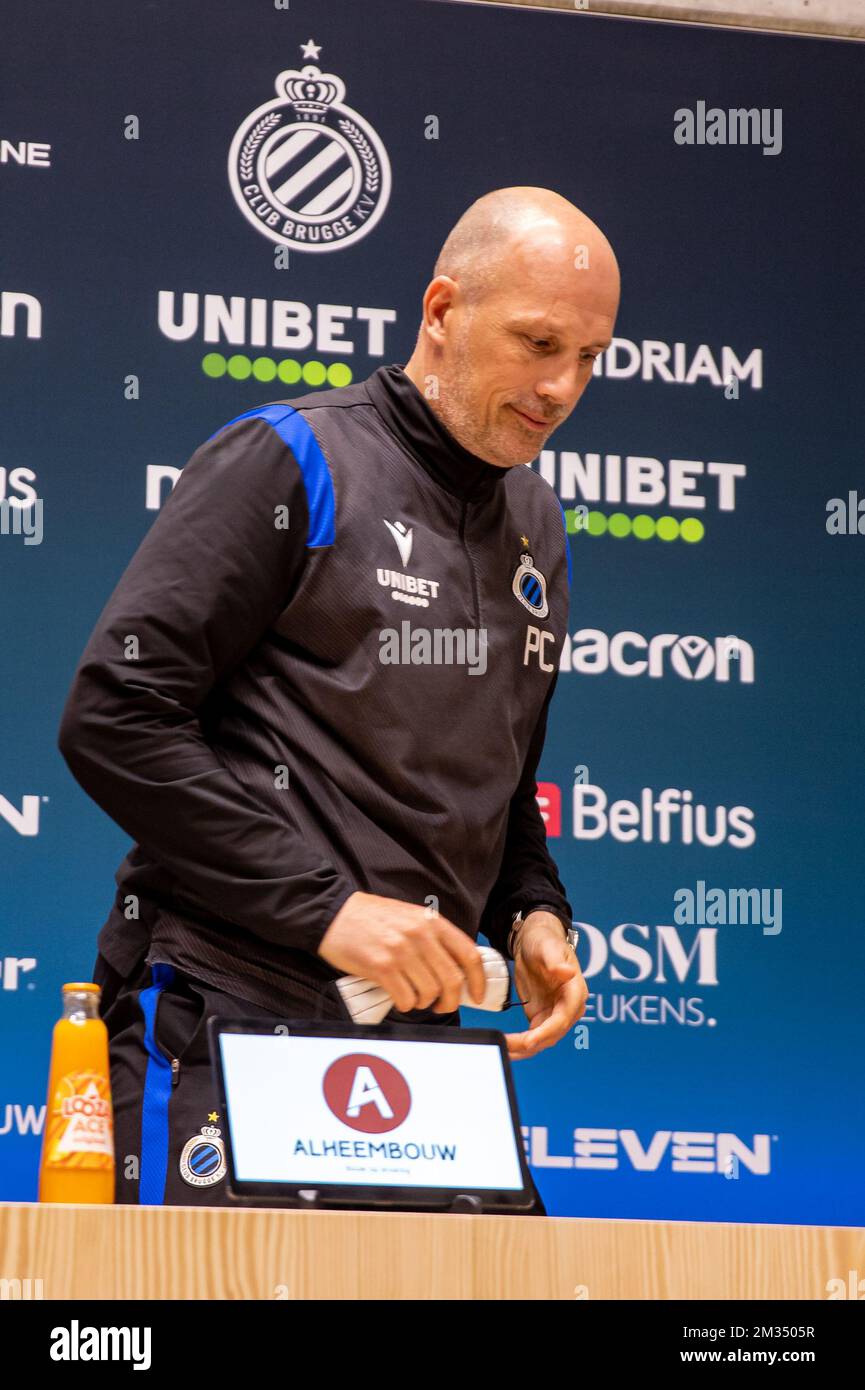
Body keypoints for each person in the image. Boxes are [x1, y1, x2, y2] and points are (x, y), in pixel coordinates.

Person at [57, 185, 620, 1209]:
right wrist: (329, 912)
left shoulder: (537, 520)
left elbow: (499, 785)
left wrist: (533, 913)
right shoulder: (292, 455)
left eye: (589, 357)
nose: (562, 386)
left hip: (424, 1052)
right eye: (538, 343)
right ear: (442, 312)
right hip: (224, 1018)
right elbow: (114, 713)